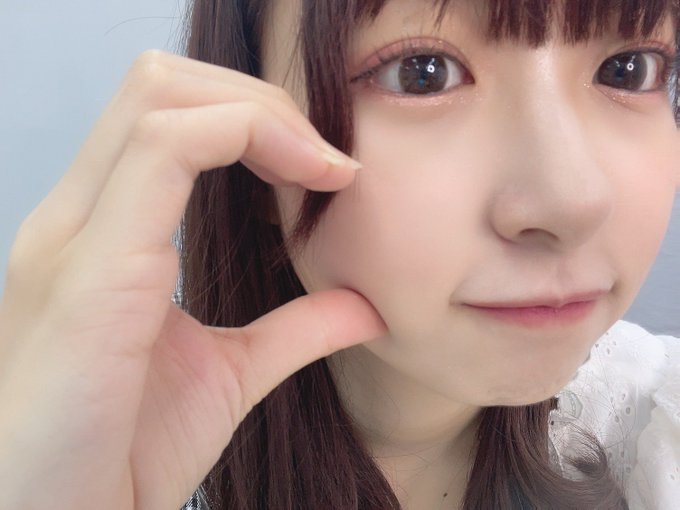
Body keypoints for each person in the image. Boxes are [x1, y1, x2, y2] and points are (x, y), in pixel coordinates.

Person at [1, 0, 679, 508]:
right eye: (422, 73)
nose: (572, 200)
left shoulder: (655, 433)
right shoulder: (106, 441)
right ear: (252, 153)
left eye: (630, 68)